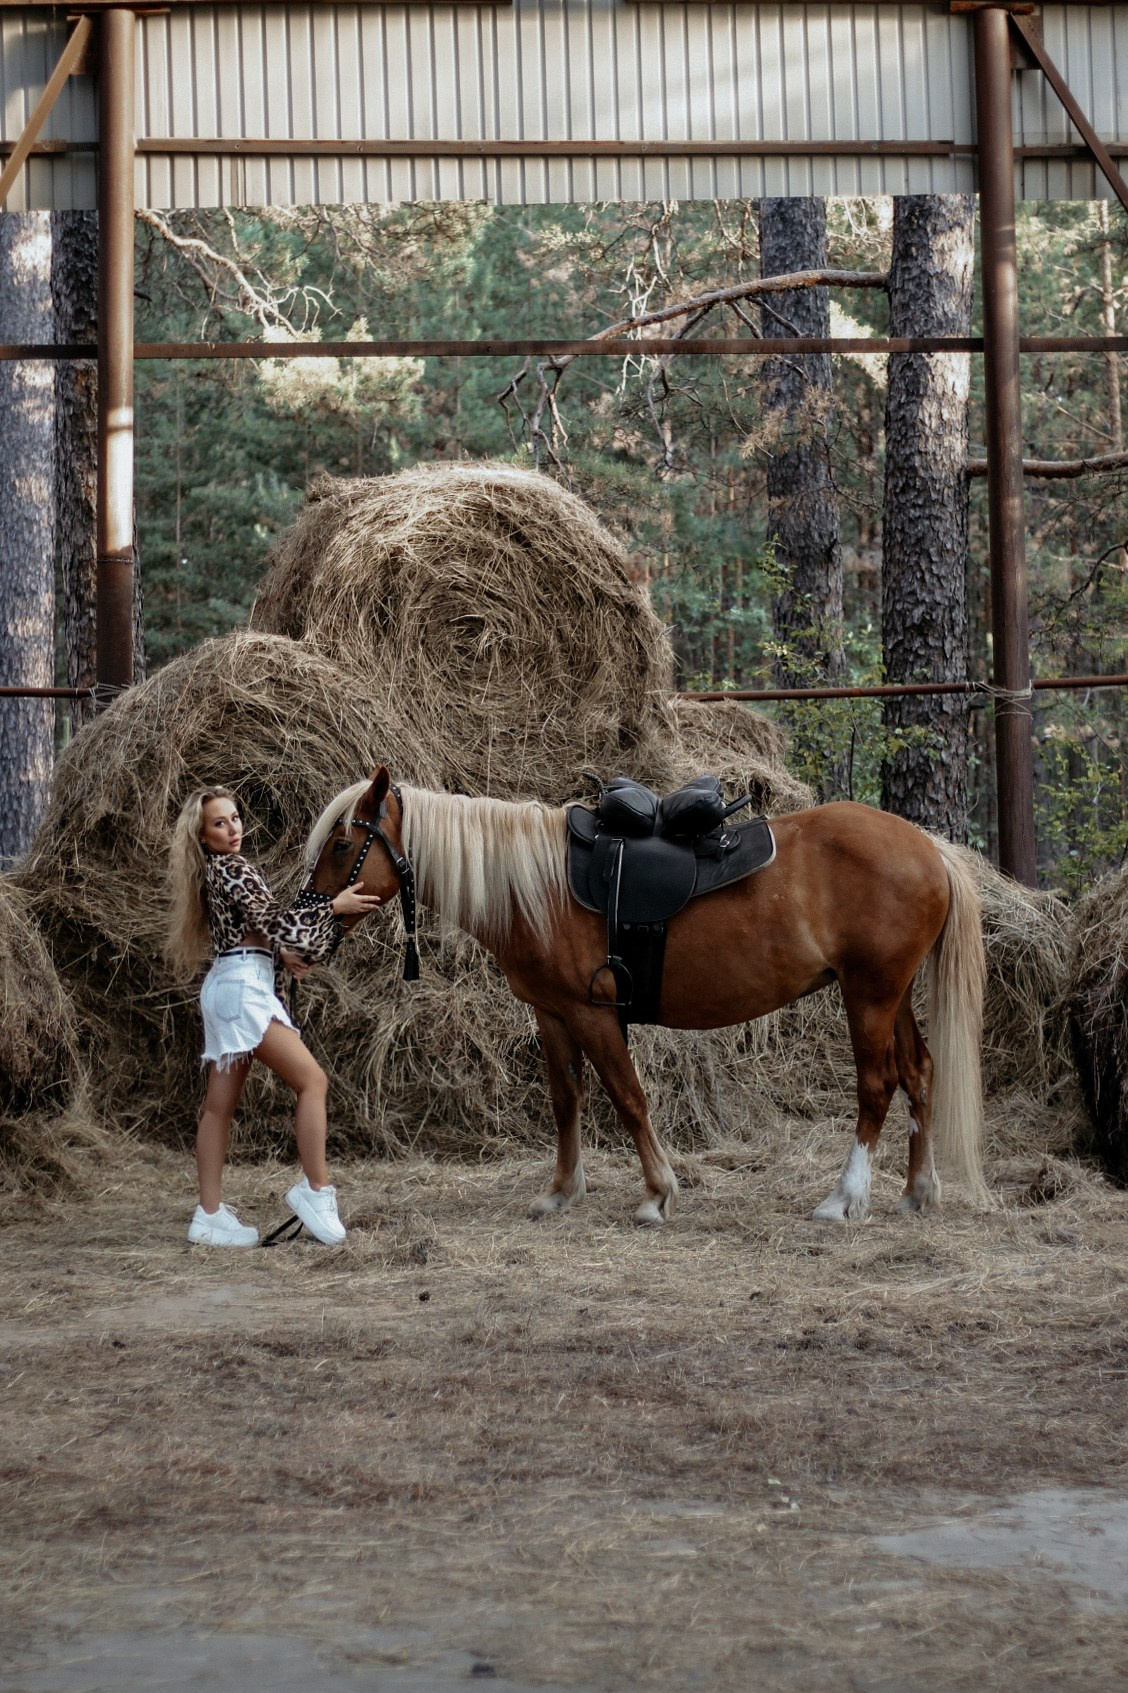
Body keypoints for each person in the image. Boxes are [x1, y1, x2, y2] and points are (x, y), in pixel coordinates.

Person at [165, 786, 381, 1248]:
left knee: (217, 1109)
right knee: (313, 1081)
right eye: (219, 823)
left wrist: (281, 956)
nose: (233, 828)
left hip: (230, 984)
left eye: (235, 817)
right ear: (202, 835)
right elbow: (276, 923)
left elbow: (255, 934)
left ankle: (208, 1215)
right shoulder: (234, 868)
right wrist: (333, 906)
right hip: (244, 989)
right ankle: (316, 1191)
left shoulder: (214, 871)